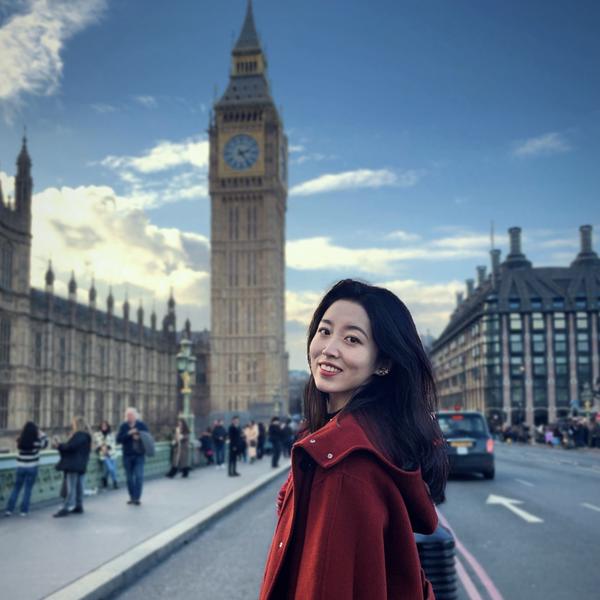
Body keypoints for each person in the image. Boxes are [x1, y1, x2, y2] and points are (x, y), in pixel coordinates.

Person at [259, 279, 448, 600]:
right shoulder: (380, 438)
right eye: (324, 331)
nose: (329, 349)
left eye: (352, 339)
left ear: (384, 363)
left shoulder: (344, 466)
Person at [5, 421, 48, 517]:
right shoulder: (36, 442)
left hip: (20, 467)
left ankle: (9, 510)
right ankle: (23, 511)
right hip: (32, 467)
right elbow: (45, 444)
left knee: (16, 488)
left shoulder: (20, 441)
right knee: (27, 489)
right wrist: (42, 434)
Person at [53, 416, 92, 518]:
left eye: (74, 424)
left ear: (77, 425)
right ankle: (79, 506)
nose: (72, 426)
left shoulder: (79, 435)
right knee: (79, 486)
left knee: (71, 488)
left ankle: (66, 507)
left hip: (73, 465)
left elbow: (70, 447)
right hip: (82, 464)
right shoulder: (87, 436)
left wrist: (59, 446)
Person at [116, 407, 149, 506]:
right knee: (129, 478)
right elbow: (118, 440)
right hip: (127, 455)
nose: (129, 417)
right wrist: (128, 434)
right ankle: (132, 496)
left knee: (139, 476)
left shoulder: (141, 425)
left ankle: (137, 498)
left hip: (139, 455)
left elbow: (148, 438)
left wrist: (139, 437)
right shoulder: (123, 426)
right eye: (127, 415)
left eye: (131, 415)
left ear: (135, 416)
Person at [94, 421, 118, 490]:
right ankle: (115, 482)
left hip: (112, 453)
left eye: (105, 426)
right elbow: (96, 444)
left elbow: (113, 443)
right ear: (100, 427)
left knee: (108, 469)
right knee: (111, 468)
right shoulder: (97, 434)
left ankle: (104, 478)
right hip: (103, 454)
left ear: (107, 427)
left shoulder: (111, 434)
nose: (104, 427)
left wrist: (107, 448)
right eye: (102, 426)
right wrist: (101, 448)